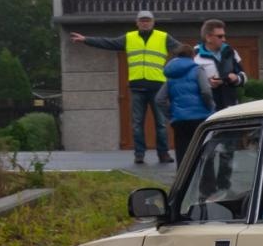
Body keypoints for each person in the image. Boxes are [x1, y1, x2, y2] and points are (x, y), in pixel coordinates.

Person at [69, 10, 189, 163]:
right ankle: (139, 154)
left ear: (153, 22)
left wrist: (199, 50)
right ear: (137, 23)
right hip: (137, 88)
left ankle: (163, 153)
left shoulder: (163, 37)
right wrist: (86, 39)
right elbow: (108, 43)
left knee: (161, 124)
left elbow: (182, 50)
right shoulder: (129, 37)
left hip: (158, 88)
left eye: (148, 20)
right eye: (142, 20)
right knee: (137, 124)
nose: (145, 23)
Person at [162, 44, 214, 158]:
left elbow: (159, 99)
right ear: (193, 55)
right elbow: (206, 91)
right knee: (203, 153)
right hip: (200, 118)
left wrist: (171, 114)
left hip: (179, 119)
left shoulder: (171, 75)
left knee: (183, 153)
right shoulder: (198, 70)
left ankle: (183, 169)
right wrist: (210, 107)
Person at [194, 18, 248, 111]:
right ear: (208, 37)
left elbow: (244, 77)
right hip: (206, 108)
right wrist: (207, 84)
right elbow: (189, 83)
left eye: (224, 36)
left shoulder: (230, 52)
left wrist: (236, 78)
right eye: (220, 36)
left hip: (230, 106)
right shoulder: (195, 55)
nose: (224, 39)